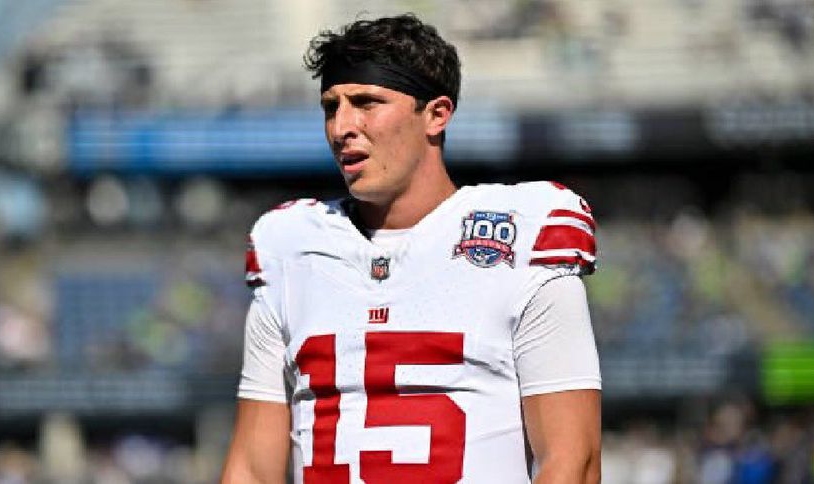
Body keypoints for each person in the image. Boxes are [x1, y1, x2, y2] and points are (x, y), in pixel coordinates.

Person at [221, 13, 601, 484]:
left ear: (436, 114)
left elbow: (572, 461)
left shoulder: (522, 236)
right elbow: (251, 469)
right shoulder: (290, 248)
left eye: (366, 102)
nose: (341, 126)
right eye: (331, 106)